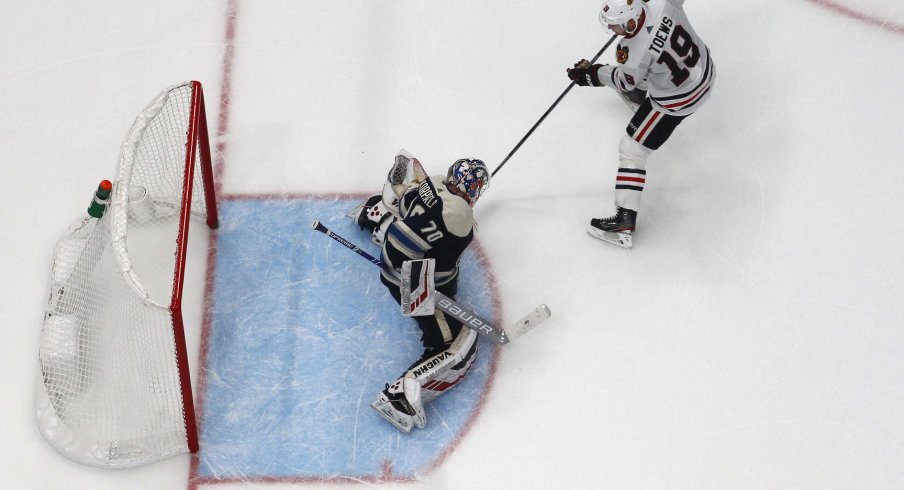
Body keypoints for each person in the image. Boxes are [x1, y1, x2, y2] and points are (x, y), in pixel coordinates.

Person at [352, 149, 490, 432]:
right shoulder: (461, 217)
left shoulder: (433, 182)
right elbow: (449, 248)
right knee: (456, 341)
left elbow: (405, 203)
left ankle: (373, 212)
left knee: (409, 222)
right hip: (410, 280)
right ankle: (400, 397)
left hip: (395, 258)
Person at [566, 0, 715, 248]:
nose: (613, 31)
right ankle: (641, 97)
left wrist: (593, 74)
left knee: (631, 150)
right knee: (650, 66)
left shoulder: (630, 52)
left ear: (630, 21)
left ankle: (623, 222)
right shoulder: (663, 3)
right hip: (705, 70)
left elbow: (625, 81)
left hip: (678, 99)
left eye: (616, 26)